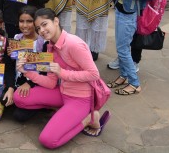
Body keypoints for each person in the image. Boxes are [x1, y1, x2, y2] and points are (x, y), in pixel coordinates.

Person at [13, 8, 111, 149]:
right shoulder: (50, 47)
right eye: (38, 28)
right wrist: (27, 72)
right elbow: (52, 83)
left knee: (47, 140)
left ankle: (89, 119)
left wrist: (63, 73)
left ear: (56, 21)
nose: (42, 30)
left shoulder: (73, 44)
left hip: (80, 98)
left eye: (45, 24)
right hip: (62, 92)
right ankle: (63, 113)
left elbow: (94, 74)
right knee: (19, 97)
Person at [12, 6, 45, 122]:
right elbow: (12, 65)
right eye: (21, 21)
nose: (25, 25)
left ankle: (42, 104)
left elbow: (44, 70)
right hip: (17, 81)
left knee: (19, 115)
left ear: (35, 23)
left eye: (29, 21)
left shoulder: (42, 42)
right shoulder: (16, 38)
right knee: (6, 101)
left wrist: (29, 84)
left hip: (35, 83)